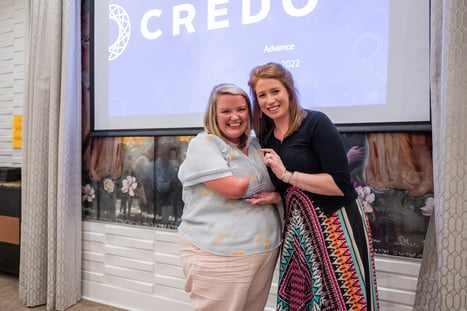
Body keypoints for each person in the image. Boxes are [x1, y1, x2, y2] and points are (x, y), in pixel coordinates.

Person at [247, 62, 379, 310]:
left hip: (335, 226)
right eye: (261, 95)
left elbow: (340, 185)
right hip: (297, 230)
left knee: (343, 301)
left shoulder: (316, 123)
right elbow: (291, 189)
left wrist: (286, 175)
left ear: (289, 91)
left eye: (275, 91)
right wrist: (275, 196)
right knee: (299, 302)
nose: (269, 100)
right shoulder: (265, 135)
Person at [177, 83, 283, 311]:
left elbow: (278, 188)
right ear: (213, 115)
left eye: (241, 110)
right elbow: (234, 188)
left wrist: (277, 195)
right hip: (220, 255)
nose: (235, 117)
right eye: (226, 111)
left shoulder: (254, 144)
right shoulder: (204, 143)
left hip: (264, 252)